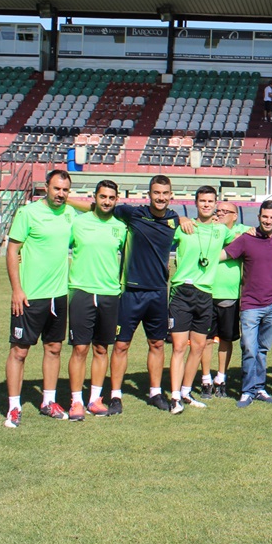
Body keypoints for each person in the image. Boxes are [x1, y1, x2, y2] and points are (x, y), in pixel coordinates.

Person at [97, 174, 190, 415]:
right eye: (156, 193)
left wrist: (187, 219)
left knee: (157, 343)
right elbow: (98, 207)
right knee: (121, 345)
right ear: (149, 194)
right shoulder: (132, 213)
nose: (161, 197)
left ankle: (155, 392)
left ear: (171, 196)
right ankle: (115, 395)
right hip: (131, 292)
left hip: (158, 292)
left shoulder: (173, 219)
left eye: (165, 193)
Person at [4, 169, 76, 427]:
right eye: (56, 188)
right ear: (46, 187)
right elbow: (13, 251)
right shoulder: (28, 213)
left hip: (58, 295)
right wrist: (17, 289)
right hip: (30, 296)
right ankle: (13, 407)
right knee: (20, 351)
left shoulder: (69, 214)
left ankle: (48, 401)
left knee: (54, 348)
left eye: (65, 190)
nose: (60, 194)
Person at [167, 186, 235, 414]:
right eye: (202, 201)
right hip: (182, 292)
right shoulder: (184, 227)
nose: (206, 204)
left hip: (206, 294)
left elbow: (246, 232)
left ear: (216, 204)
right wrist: (180, 217)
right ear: (196, 203)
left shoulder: (221, 230)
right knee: (179, 347)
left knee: (197, 347)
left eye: (210, 201)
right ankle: (174, 395)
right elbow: (164, 221)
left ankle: (186, 392)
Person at [64, 178, 126, 420]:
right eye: (103, 197)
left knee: (101, 348)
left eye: (111, 198)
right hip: (81, 291)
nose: (107, 201)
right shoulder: (78, 223)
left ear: (116, 200)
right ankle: (76, 401)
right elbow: (57, 246)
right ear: (95, 197)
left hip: (110, 293)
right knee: (80, 348)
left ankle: (95, 399)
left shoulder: (121, 227)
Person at [223, 200, 272, 407]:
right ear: (259, 217)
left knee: (262, 349)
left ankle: (259, 388)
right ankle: (246, 390)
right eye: (265, 217)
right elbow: (223, 254)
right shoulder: (246, 239)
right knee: (249, 348)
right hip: (251, 304)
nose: (268, 221)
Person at [205, 201, 246, 398]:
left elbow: (269, 229)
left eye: (225, 211)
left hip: (229, 295)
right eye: (218, 210)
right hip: (204, 291)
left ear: (235, 216)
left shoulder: (243, 230)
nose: (220, 214)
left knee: (226, 339)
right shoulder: (209, 227)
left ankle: (221, 376)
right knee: (204, 340)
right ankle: (205, 379)